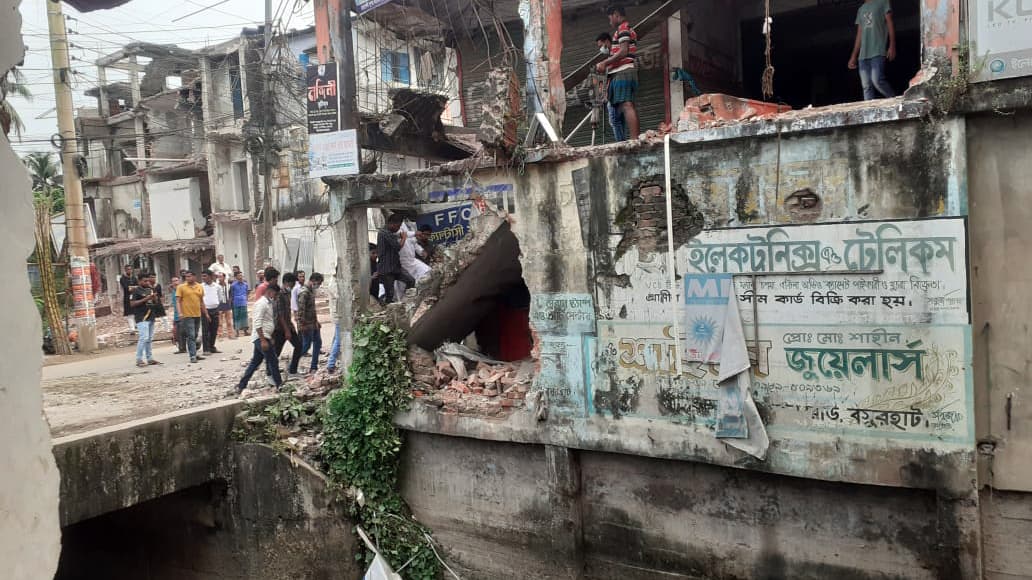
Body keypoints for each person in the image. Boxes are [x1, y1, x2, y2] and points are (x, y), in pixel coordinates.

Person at [596, 5, 639, 141]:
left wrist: (605, 63)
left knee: (627, 105)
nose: (610, 22)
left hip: (624, 72)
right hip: (621, 72)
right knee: (624, 107)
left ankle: (633, 140)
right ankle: (632, 139)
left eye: (610, 18)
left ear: (616, 14)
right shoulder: (624, 29)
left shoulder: (623, 28)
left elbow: (624, 51)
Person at [236, 283, 282, 394]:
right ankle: (279, 384)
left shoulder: (268, 303)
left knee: (255, 362)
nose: (276, 297)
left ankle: (241, 385)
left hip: (265, 336)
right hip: (260, 337)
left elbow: (267, 322)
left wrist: (269, 337)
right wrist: (262, 339)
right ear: (270, 291)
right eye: (275, 294)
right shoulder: (261, 304)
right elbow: (257, 322)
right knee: (273, 360)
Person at [848, 0, 896, 101]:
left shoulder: (883, 2)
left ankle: (894, 100)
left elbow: (890, 24)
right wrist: (853, 56)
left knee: (877, 80)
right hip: (863, 54)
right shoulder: (861, 9)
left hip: (878, 50)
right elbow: (859, 34)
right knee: (866, 86)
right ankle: (868, 113)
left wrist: (892, 45)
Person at [595, 32, 627, 141]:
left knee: (614, 120)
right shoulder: (613, 55)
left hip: (615, 91)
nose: (601, 49)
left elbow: (612, 75)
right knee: (620, 119)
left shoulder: (614, 54)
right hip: (617, 90)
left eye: (601, 46)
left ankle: (621, 144)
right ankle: (623, 143)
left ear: (607, 41)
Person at [377, 214, 415, 304]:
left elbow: (396, 237)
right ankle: (389, 311)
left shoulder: (390, 233)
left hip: (395, 268)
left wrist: (402, 236)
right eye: (397, 226)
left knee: (411, 281)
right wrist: (404, 238)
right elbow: (398, 247)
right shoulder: (384, 233)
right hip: (387, 270)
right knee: (390, 295)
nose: (398, 229)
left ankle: (406, 301)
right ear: (391, 224)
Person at [273, 272, 304, 376]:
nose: (293, 286)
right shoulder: (280, 294)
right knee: (276, 351)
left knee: (299, 346)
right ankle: (271, 372)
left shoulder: (287, 294)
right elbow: (280, 314)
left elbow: (286, 313)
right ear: (286, 282)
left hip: (287, 325)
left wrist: (290, 327)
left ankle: (292, 370)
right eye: (292, 284)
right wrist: (287, 330)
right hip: (280, 327)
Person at [129, 273, 162, 367]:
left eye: (148, 280)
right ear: (139, 281)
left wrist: (155, 298)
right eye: (145, 281)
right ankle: (139, 359)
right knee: (143, 338)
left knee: (149, 339)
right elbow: (132, 304)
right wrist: (145, 299)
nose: (147, 282)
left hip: (151, 315)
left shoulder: (150, 289)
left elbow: (155, 302)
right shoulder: (135, 290)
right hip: (141, 317)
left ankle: (150, 358)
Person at [297, 272, 324, 373]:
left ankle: (314, 367)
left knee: (318, 343)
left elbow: (312, 309)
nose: (319, 285)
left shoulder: (311, 291)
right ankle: (293, 364)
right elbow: (301, 310)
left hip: (313, 323)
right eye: (319, 283)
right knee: (306, 345)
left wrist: (316, 322)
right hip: (306, 325)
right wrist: (302, 325)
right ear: (314, 281)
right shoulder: (304, 292)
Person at [176, 271, 205, 363]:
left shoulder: (199, 286)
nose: (188, 278)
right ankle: (192, 356)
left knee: (195, 335)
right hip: (187, 315)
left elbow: (201, 301)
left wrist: (205, 313)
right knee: (191, 335)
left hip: (197, 314)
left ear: (194, 277)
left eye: (189, 276)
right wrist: (180, 313)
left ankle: (195, 353)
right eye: (186, 277)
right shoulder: (181, 287)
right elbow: (178, 301)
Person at [397, 222, 430, 299]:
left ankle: (423, 294)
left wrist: (421, 251)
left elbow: (414, 243)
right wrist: (414, 233)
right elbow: (402, 234)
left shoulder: (406, 227)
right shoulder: (395, 231)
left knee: (427, 271)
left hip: (412, 260)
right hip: (402, 263)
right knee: (402, 286)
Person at [200, 271, 221, 354]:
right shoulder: (200, 286)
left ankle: (212, 346)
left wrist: (216, 305)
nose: (203, 278)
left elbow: (219, 298)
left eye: (205, 276)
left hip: (215, 309)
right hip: (205, 310)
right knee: (205, 330)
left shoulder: (217, 286)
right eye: (202, 276)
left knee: (214, 329)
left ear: (211, 276)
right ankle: (206, 349)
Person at [230, 271, 250, 337]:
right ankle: (237, 332)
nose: (240, 277)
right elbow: (232, 295)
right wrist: (232, 302)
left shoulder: (245, 284)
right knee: (237, 317)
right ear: (236, 277)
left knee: (244, 317)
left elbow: (247, 292)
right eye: (239, 275)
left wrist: (246, 299)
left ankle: (245, 331)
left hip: (243, 302)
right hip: (236, 302)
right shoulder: (233, 285)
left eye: (241, 275)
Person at [170, 276, 186, 354]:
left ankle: (184, 348)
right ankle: (181, 348)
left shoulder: (182, 290)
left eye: (176, 280)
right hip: (176, 315)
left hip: (183, 314)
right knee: (177, 332)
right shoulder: (173, 291)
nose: (175, 282)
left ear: (179, 281)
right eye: (173, 281)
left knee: (183, 332)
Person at [119, 264, 137, 333]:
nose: (129, 271)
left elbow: (137, 286)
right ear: (125, 270)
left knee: (135, 312)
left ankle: (135, 326)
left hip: (135, 297)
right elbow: (126, 288)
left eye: (130, 269)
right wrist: (133, 287)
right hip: (127, 298)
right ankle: (132, 329)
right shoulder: (122, 279)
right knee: (130, 313)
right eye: (128, 269)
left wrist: (133, 288)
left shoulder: (134, 278)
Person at [217, 272, 233, 339]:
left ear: (224, 277)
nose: (219, 278)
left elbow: (230, 294)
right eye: (218, 277)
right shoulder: (216, 286)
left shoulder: (228, 286)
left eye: (221, 277)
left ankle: (230, 334)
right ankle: (220, 335)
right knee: (219, 321)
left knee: (229, 321)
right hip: (219, 305)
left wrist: (230, 301)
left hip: (227, 304)